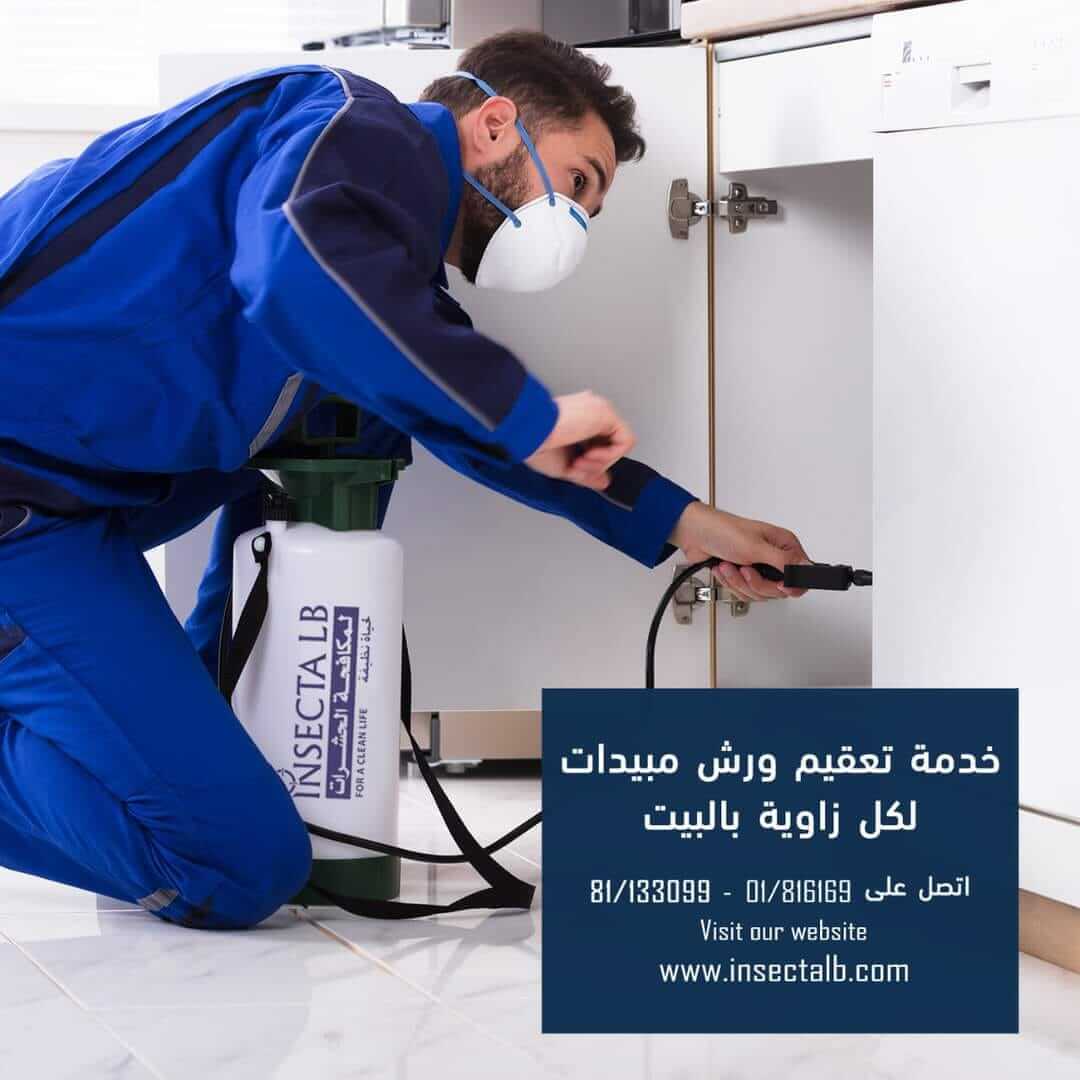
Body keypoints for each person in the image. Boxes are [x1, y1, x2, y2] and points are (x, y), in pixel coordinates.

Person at [0, 31, 810, 929]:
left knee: (368, 424)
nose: (576, 223)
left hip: (66, 520)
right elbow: (297, 269)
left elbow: (477, 436)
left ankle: (196, 733)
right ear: (497, 125)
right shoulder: (347, 122)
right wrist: (530, 413)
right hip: (21, 509)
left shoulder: (385, 300)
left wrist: (684, 521)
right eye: (580, 182)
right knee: (231, 862)